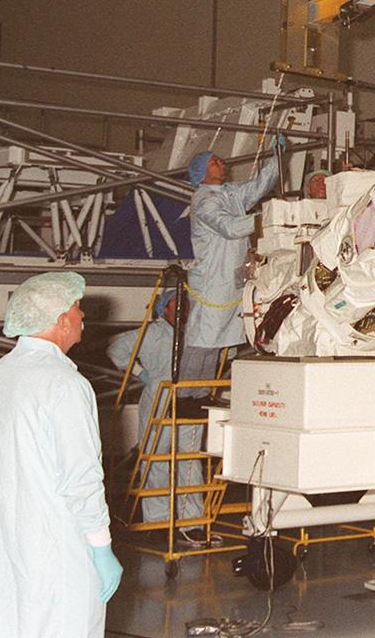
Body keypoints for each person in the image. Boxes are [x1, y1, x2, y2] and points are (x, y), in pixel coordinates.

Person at [0, 272, 121, 638]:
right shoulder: (65, 384)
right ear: (61, 320)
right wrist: (101, 546)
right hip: (53, 548)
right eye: (77, 309)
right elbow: (81, 478)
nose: (82, 317)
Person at [181, 139, 281, 400]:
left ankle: (201, 394)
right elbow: (230, 227)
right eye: (215, 161)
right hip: (212, 282)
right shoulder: (204, 202)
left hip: (231, 281)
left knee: (216, 342)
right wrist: (270, 217)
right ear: (202, 172)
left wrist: (277, 155)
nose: (221, 163)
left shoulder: (231, 193)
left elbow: (259, 185)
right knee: (203, 340)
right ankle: (185, 394)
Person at [107, 289, 207, 547]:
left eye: (185, 306)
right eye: (176, 306)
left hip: (189, 398)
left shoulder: (196, 334)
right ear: (164, 309)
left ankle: (192, 523)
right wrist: (141, 374)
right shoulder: (153, 333)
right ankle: (158, 521)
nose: (182, 311)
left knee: (189, 460)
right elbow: (116, 349)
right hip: (159, 399)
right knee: (156, 460)